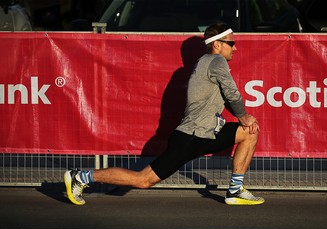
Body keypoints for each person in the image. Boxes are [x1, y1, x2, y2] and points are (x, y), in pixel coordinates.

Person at [64, 22, 265, 206]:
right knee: (143, 180)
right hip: (190, 137)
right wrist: (243, 116)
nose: (235, 48)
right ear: (217, 44)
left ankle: (235, 190)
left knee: (249, 132)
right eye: (232, 43)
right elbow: (232, 93)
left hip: (207, 134)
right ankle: (81, 177)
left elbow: (227, 97)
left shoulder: (208, 63)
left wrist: (243, 119)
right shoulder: (215, 61)